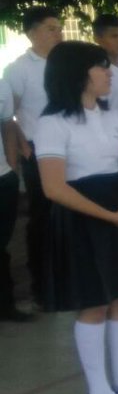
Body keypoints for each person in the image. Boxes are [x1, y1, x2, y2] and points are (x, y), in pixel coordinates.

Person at [37, 41, 118, 394]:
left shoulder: (113, 116)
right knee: (94, 303)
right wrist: (110, 217)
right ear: (77, 74)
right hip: (83, 216)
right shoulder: (52, 123)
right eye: (100, 67)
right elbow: (54, 187)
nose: (109, 73)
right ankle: (99, 390)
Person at [5, 6, 63, 308]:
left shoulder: (65, 62)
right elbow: (8, 114)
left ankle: (69, 277)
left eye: (59, 27)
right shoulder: (19, 69)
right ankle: (43, 286)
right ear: (32, 33)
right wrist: (21, 146)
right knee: (43, 218)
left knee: (69, 215)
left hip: (70, 150)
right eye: (51, 28)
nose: (58, 33)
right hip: (38, 152)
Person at [0, 79, 30, 322]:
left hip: (2, 177)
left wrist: (12, 168)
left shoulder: (1, 86)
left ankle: (5, 306)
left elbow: (8, 125)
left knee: (2, 244)